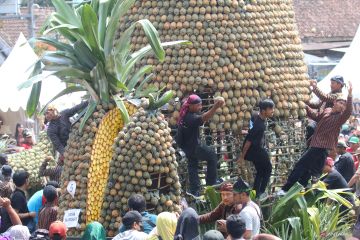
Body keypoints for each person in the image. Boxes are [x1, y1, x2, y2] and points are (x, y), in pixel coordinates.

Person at [279, 82, 353, 193]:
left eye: (344, 104)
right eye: (340, 103)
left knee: (300, 165)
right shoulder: (327, 111)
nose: (342, 106)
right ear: (334, 102)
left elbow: (348, 112)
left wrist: (350, 95)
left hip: (320, 147)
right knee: (311, 172)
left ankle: (285, 190)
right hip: (317, 146)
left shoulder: (340, 118)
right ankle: (301, 190)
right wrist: (304, 105)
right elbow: (315, 116)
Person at [176, 94, 224, 196]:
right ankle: (211, 182)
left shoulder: (185, 113)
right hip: (194, 147)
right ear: (191, 106)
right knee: (212, 156)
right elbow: (205, 117)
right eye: (198, 105)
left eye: (201, 105)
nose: (200, 107)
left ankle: (195, 190)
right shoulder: (190, 118)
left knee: (192, 165)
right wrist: (215, 106)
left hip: (187, 148)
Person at [237, 99, 275, 199]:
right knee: (268, 168)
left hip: (254, 151)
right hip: (256, 151)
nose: (272, 111)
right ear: (263, 111)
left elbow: (250, 130)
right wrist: (242, 156)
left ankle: (255, 193)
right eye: (270, 109)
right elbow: (249, 141)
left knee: (260, 171)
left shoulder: (255, 116)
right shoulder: (260, 125)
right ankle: (261, 191)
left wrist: (248, 131)